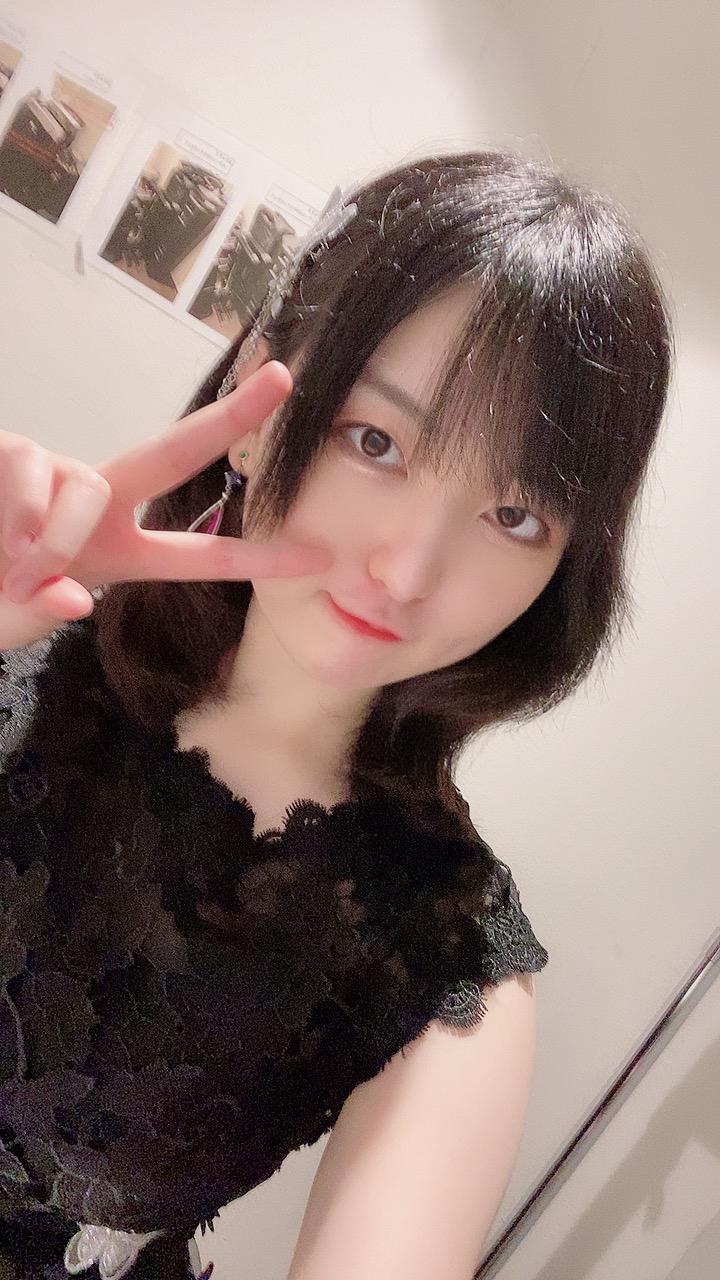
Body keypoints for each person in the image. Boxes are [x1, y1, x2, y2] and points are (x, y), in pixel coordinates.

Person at [0, 149, 673, 1280]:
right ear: (257, 404)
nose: (407, 569)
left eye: (515, 514)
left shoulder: (445, 956)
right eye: (377, 442)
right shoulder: (24, 636)